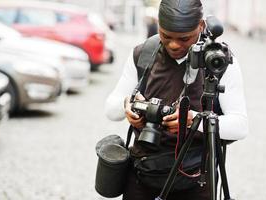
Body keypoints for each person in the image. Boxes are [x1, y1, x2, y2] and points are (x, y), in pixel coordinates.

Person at [104, 0, 248, 199]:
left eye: (184, 38)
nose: (173, 44)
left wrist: (193, 120)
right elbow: (111, 110)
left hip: (196, 181)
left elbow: (240, 126)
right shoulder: (144, 53)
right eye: (166, 35)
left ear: (201, 26)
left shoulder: (219, 61)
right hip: (143, 176)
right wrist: (127, 106)